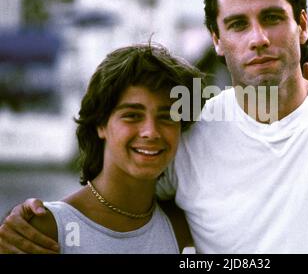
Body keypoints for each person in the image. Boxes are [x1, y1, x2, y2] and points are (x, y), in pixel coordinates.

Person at [2, 0, 308, 254]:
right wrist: (43, 218)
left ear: (301, 25)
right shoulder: (189, 132)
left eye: (273, 17)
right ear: (216, 39)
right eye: (238, 24)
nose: (258, 37)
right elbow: (122, 206)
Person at [0, 43, 204, 253]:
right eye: (132, 115)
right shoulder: (45, 229)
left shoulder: (180, 226)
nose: (150, 132)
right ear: (101, 124)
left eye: (167, 117)